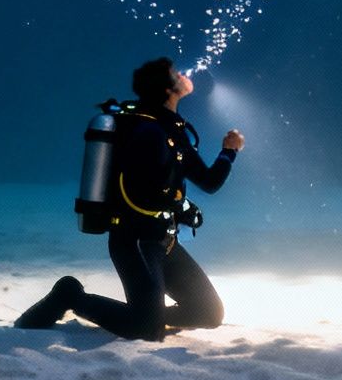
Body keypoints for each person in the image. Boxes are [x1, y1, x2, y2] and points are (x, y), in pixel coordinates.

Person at [15, 57, 245, 340]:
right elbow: (137, 190)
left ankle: (149, 317)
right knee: (146, 330)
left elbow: (209, 182)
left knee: (208, 313)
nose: (184, 73)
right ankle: (70, 296)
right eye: (176, 72)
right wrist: (180, 205)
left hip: (164, 241)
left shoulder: (172, 130)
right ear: (168, 89)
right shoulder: (148, 131)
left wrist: (228, 152)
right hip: (134, 240)